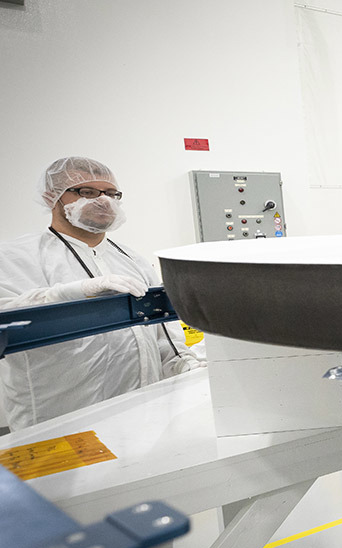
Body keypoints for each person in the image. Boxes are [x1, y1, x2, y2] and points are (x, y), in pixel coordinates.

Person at [0, 157, 202, 431]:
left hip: (141, 414)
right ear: (52, 198)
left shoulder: (131, 259)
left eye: (111, 193)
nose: (104, 201)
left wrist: (184, 365)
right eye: (87, 192)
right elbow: (7, 318)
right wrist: (71, 293)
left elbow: (162, 333)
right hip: (58, 420)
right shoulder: (14, 258)